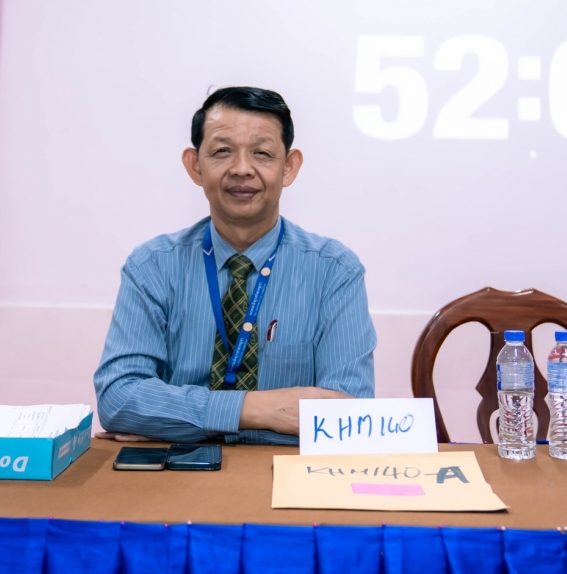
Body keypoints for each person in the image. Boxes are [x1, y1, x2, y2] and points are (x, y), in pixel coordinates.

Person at [93, 87, 376, 444]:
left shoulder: (334, 271)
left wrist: (171, 421)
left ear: (289, 167)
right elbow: (119, 399)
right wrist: (257, 410)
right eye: (222, 151)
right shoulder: (153, 267)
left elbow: (349, 419)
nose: (242, 169)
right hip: (178, 473)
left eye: (262, 153)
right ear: (195, 165)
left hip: (284, 472)